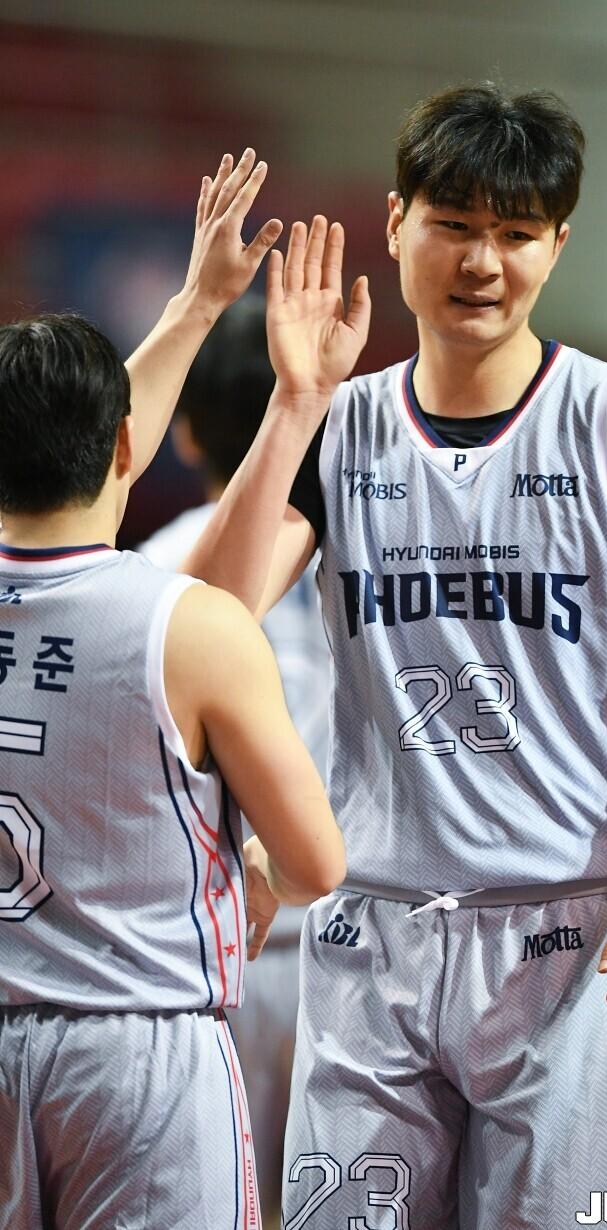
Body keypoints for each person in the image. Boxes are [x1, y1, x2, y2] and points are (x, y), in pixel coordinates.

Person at [151, 89, 607, 1226]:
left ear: (557, 244)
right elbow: (204, 619)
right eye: (455, 224)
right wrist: (294, 403)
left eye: (516, 233)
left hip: (569, 938)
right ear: (395, 222)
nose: (483, 261)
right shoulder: (337, 426)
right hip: (371, 934)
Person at [0, 160, 345, 1230]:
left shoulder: (171, 597)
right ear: (125, 447)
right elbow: (316, 863)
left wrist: (197, 301)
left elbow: (102, 440)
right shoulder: (187, 621)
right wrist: (296, 402)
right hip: (139, 1050)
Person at [139, 296, 330, 1214]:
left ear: (183, 436)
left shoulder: (152, 572)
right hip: (349, 949)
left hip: (211, 955)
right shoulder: (364, 552)